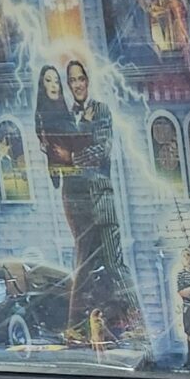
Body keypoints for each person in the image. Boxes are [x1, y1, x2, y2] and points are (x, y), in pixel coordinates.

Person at [57, 58, 133, 343]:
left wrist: (73, 157)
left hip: (101, 199)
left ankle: (135, 319)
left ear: (87, 81)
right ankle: (81, 327)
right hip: (76, 202)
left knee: (114, 263)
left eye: (81, 79)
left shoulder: (100, 111)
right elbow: (57, 161)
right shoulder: (64, 118)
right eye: (72, 80)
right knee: (85, 265)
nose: (77, 84)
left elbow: (101, 150)